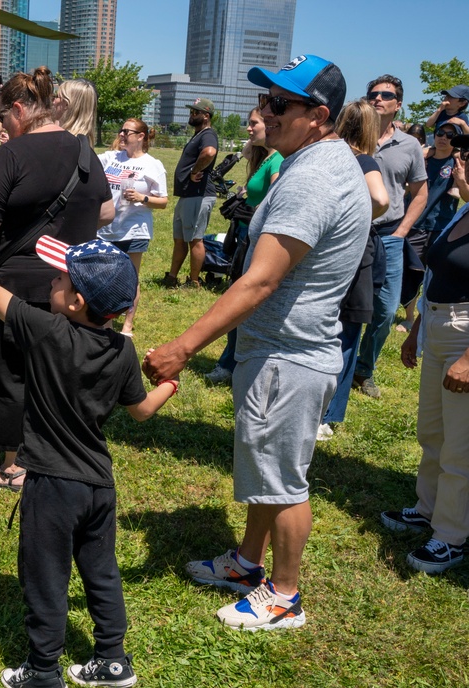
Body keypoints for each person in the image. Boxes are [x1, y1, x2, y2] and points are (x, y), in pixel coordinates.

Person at [144, 54, 370, 630]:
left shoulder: (315, 176)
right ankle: (247, 562)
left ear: (318, 116)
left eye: (277, 103)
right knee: (267, 468)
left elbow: (262, 279)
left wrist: (182, 348)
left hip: (289, 355)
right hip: (281, 350)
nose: (261, 110)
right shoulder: (313, 159)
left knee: (285, 481)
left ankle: (285, 595)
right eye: (264, 97)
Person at [0, 159, 177, 688]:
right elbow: (142, 412)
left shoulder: (47, 332)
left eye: (59, 278)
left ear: (74, 300)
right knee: (102, 572)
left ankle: (44, 670)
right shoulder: (122, 350)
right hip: (99, 485)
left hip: (52, 485)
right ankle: (112, 658)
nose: (52, 279)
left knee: (45, 575)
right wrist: (170, 386)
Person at [0, 66, 113, 490]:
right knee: (58, 371)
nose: (2, 125)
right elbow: (106, 211)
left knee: (11, 372)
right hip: (74, 288)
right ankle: (56, 451)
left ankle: (14, 464)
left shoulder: (10, 156)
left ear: (19, 109)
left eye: (2, 116)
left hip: (15, 287)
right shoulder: (85, 151)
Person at [380, 140, 469, 573]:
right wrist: (416, 330)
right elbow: (438, 273)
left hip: (464, 337)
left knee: (461, 446)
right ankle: (428, 507)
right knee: (432, 430)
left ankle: (451, 535)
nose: (456, 166)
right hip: (437, 326)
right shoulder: (463, 210)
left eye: (465, 162)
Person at [318, 99, 391, 440]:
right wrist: (356, 221)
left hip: (328, 252)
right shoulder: (363, 159)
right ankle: (327, 414)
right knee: (347, 333)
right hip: (357, 254)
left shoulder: (326, 156)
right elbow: (381, 200)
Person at [352, 74, 428, 399]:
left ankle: (363, 369)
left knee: (384, 312)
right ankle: (338, 365)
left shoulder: (410, 145)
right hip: (353, 233)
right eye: (373, 93)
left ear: (398, 104)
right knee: (347, 305)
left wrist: (402, 231)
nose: (378, 98)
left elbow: (420, 193)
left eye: (386, 94)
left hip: (390, 236)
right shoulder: (350, 137)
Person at [204, 106, 282, 385]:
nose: (248, 129)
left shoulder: (277, 160)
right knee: (236, 293)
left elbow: (274, 198)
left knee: (240, 299)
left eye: (254, 124)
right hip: (244, 234)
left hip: (257, 239)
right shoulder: (264, 157)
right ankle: (233, 360)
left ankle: (230, 364)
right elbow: (248, 150)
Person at [96, 118, 169, 334]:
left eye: (126, 132)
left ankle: (127, 324)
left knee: (130, 278)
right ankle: (107, 322)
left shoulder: (152, 164)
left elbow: (163, 201)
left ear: (141, 136)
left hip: (134, 229)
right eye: (121, 131)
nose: (121, 134)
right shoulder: (111, 158)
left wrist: (141, 197)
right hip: (106, 229)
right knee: (106, 278)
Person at [396, 121, 469, 333]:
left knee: (434, 273)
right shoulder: (422, 158)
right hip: (417, 222)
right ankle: (408, 318)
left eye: (449, 135)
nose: (443, 137)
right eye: (440, 133)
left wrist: (460, 179)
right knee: (412, 271)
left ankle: (424, 318)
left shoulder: (457, 163)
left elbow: (465, 196)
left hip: (443, 226)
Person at [164, 97, 219, 288]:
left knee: (195, 240)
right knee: (179, 239)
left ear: (206, 115)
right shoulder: (198, 134)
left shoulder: (208, 134)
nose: (191, 115)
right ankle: (172, 277)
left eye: (195, 112)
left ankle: (194, 281)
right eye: (191, 111)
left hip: (199, 194)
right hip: (188, 195)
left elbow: (210, 152)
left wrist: (194, 171)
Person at [53, 78, 97, 147]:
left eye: (57, 96)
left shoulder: (64, 143)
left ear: (67, 104)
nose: (54, 101)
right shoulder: (83, 142)